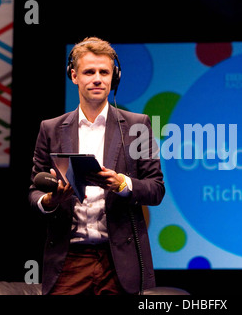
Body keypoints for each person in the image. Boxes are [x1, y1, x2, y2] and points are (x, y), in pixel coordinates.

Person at [28, 37, 165, 295]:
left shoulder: (138, 125)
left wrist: (123, 184)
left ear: (115, 77)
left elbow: (156, 189)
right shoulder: (50, 128)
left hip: (119, 260)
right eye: (89, 72)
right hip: (68, 259)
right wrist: (51, 199)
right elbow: (33, 191)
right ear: (74, 76)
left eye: (105, 72)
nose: (98, 78)